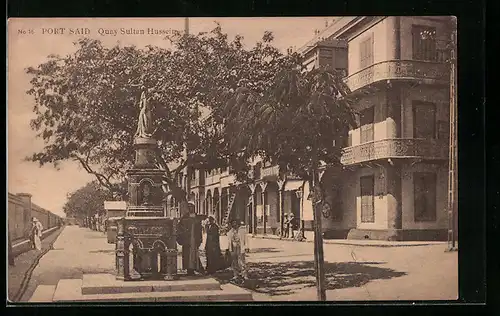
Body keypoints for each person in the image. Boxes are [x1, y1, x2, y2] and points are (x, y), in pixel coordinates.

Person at [177, 202, 204, 276]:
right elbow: (179, 227)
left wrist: (200, 238)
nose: (190, 208)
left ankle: (194, 269)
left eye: (191, 207)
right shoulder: (184, 217)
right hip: (187, 240)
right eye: (189, 207)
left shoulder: (197, 217)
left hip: (194, 239)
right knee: (187, 255)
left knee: (194, 255)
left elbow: (199, 229)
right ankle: (188, 270)